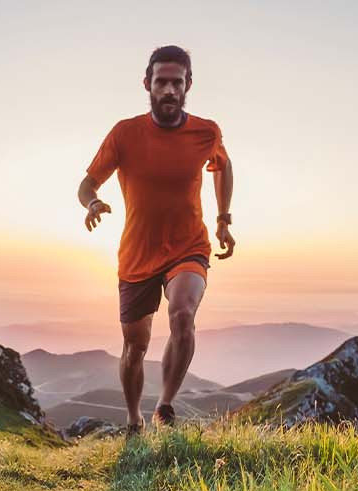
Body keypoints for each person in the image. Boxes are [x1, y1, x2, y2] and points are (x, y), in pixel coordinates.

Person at [76, 45, 235, 432]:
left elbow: (223, 167)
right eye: (161, 82)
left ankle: (165, 404)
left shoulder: (206, 132)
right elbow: (87, 183)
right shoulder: (125, 134)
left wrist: (223, 220)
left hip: (189, 247)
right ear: (147, 84)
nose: (168, 90)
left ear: (188, 86)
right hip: (137, 255)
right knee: (135, 347)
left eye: (176, 83)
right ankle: (134, 419)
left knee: (183, 314)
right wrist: (93, 202)